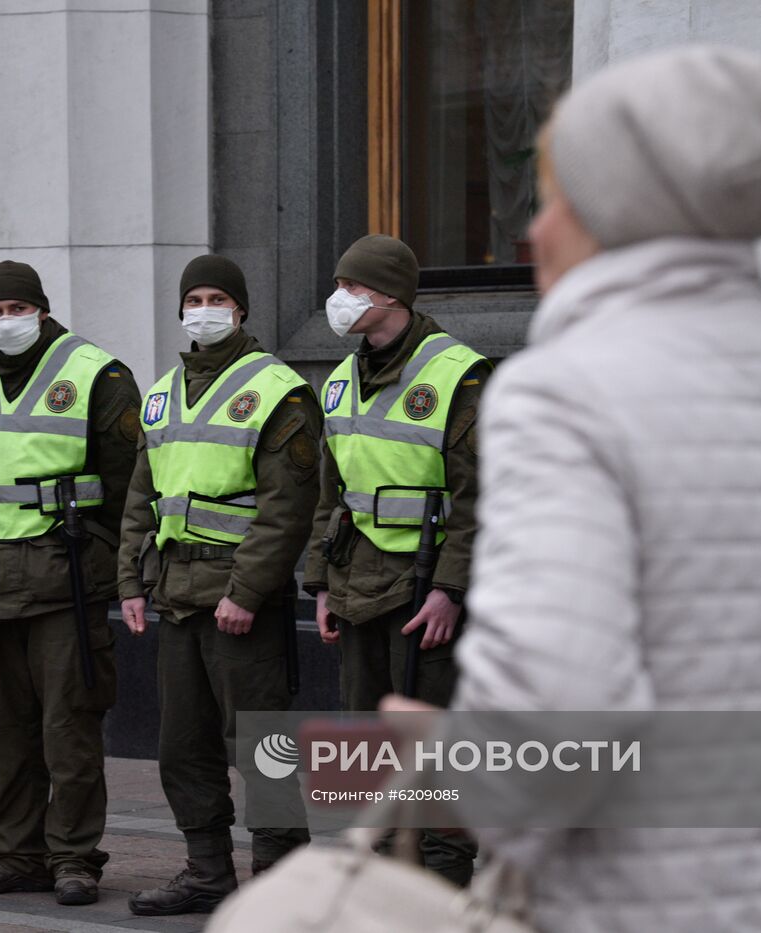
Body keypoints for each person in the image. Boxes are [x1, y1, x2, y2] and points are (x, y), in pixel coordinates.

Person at [446, 46, 761, 931]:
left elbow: (551, 717)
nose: (536, 231)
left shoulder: (561, 393)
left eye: (553, 199)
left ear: (608, 216)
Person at [116, 255, 320, 916]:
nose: (203, 309)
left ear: (240, 308)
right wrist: (129, 582)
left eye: (216, 297)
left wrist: (248, 591)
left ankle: (280, 881)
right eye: (193, 298)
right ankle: (206, 872)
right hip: (176, 595)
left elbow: (286, 507)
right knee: (183, 746)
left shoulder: (278, 389)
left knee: (261, 745)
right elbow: (140, 498)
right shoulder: (162, 393)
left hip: (239, 604)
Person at [0, 261, 139, 906]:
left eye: (16, 308)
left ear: (42, 309)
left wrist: (100, 556)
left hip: (65, 580)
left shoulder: (97, 376)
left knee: (69, 726)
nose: (5, 321)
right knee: (1, 731)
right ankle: (12, 856)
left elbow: (129, 482)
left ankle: (75, 859)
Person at [302, 233, 488, 884]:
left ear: (390, 295)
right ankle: (381, 883)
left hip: (422, 592)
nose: (340, 298)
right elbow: (331, 495)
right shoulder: (340, 380)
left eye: (351, 287)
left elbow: (478, 497)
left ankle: (442, 887)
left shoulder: (457, 373)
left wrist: (451, 589)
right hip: (358, 584)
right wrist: (319, 582)